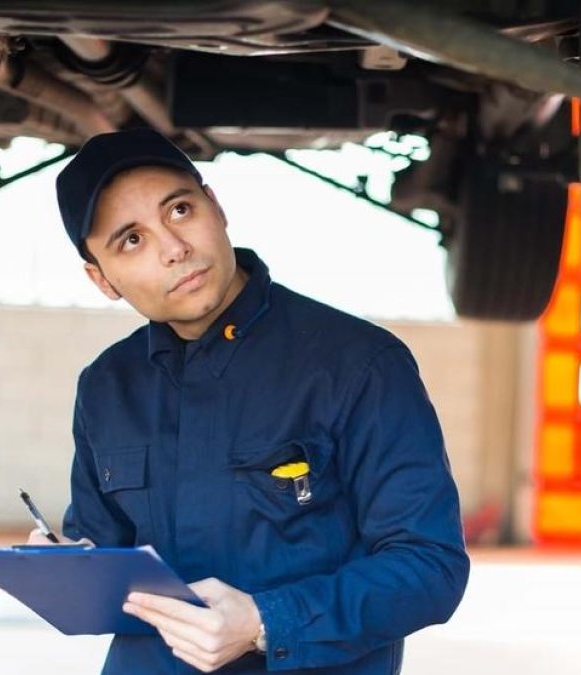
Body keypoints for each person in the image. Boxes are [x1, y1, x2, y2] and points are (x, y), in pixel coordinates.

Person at [33, 127, 470, 674]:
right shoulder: (106, 385)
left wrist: (266, 622)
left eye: (180, 210)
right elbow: (103, 544)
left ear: (215, 206)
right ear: (102, 279)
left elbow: (430, 569)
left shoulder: (358, 364)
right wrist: (69, 563)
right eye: (132, 240)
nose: (174, 249)